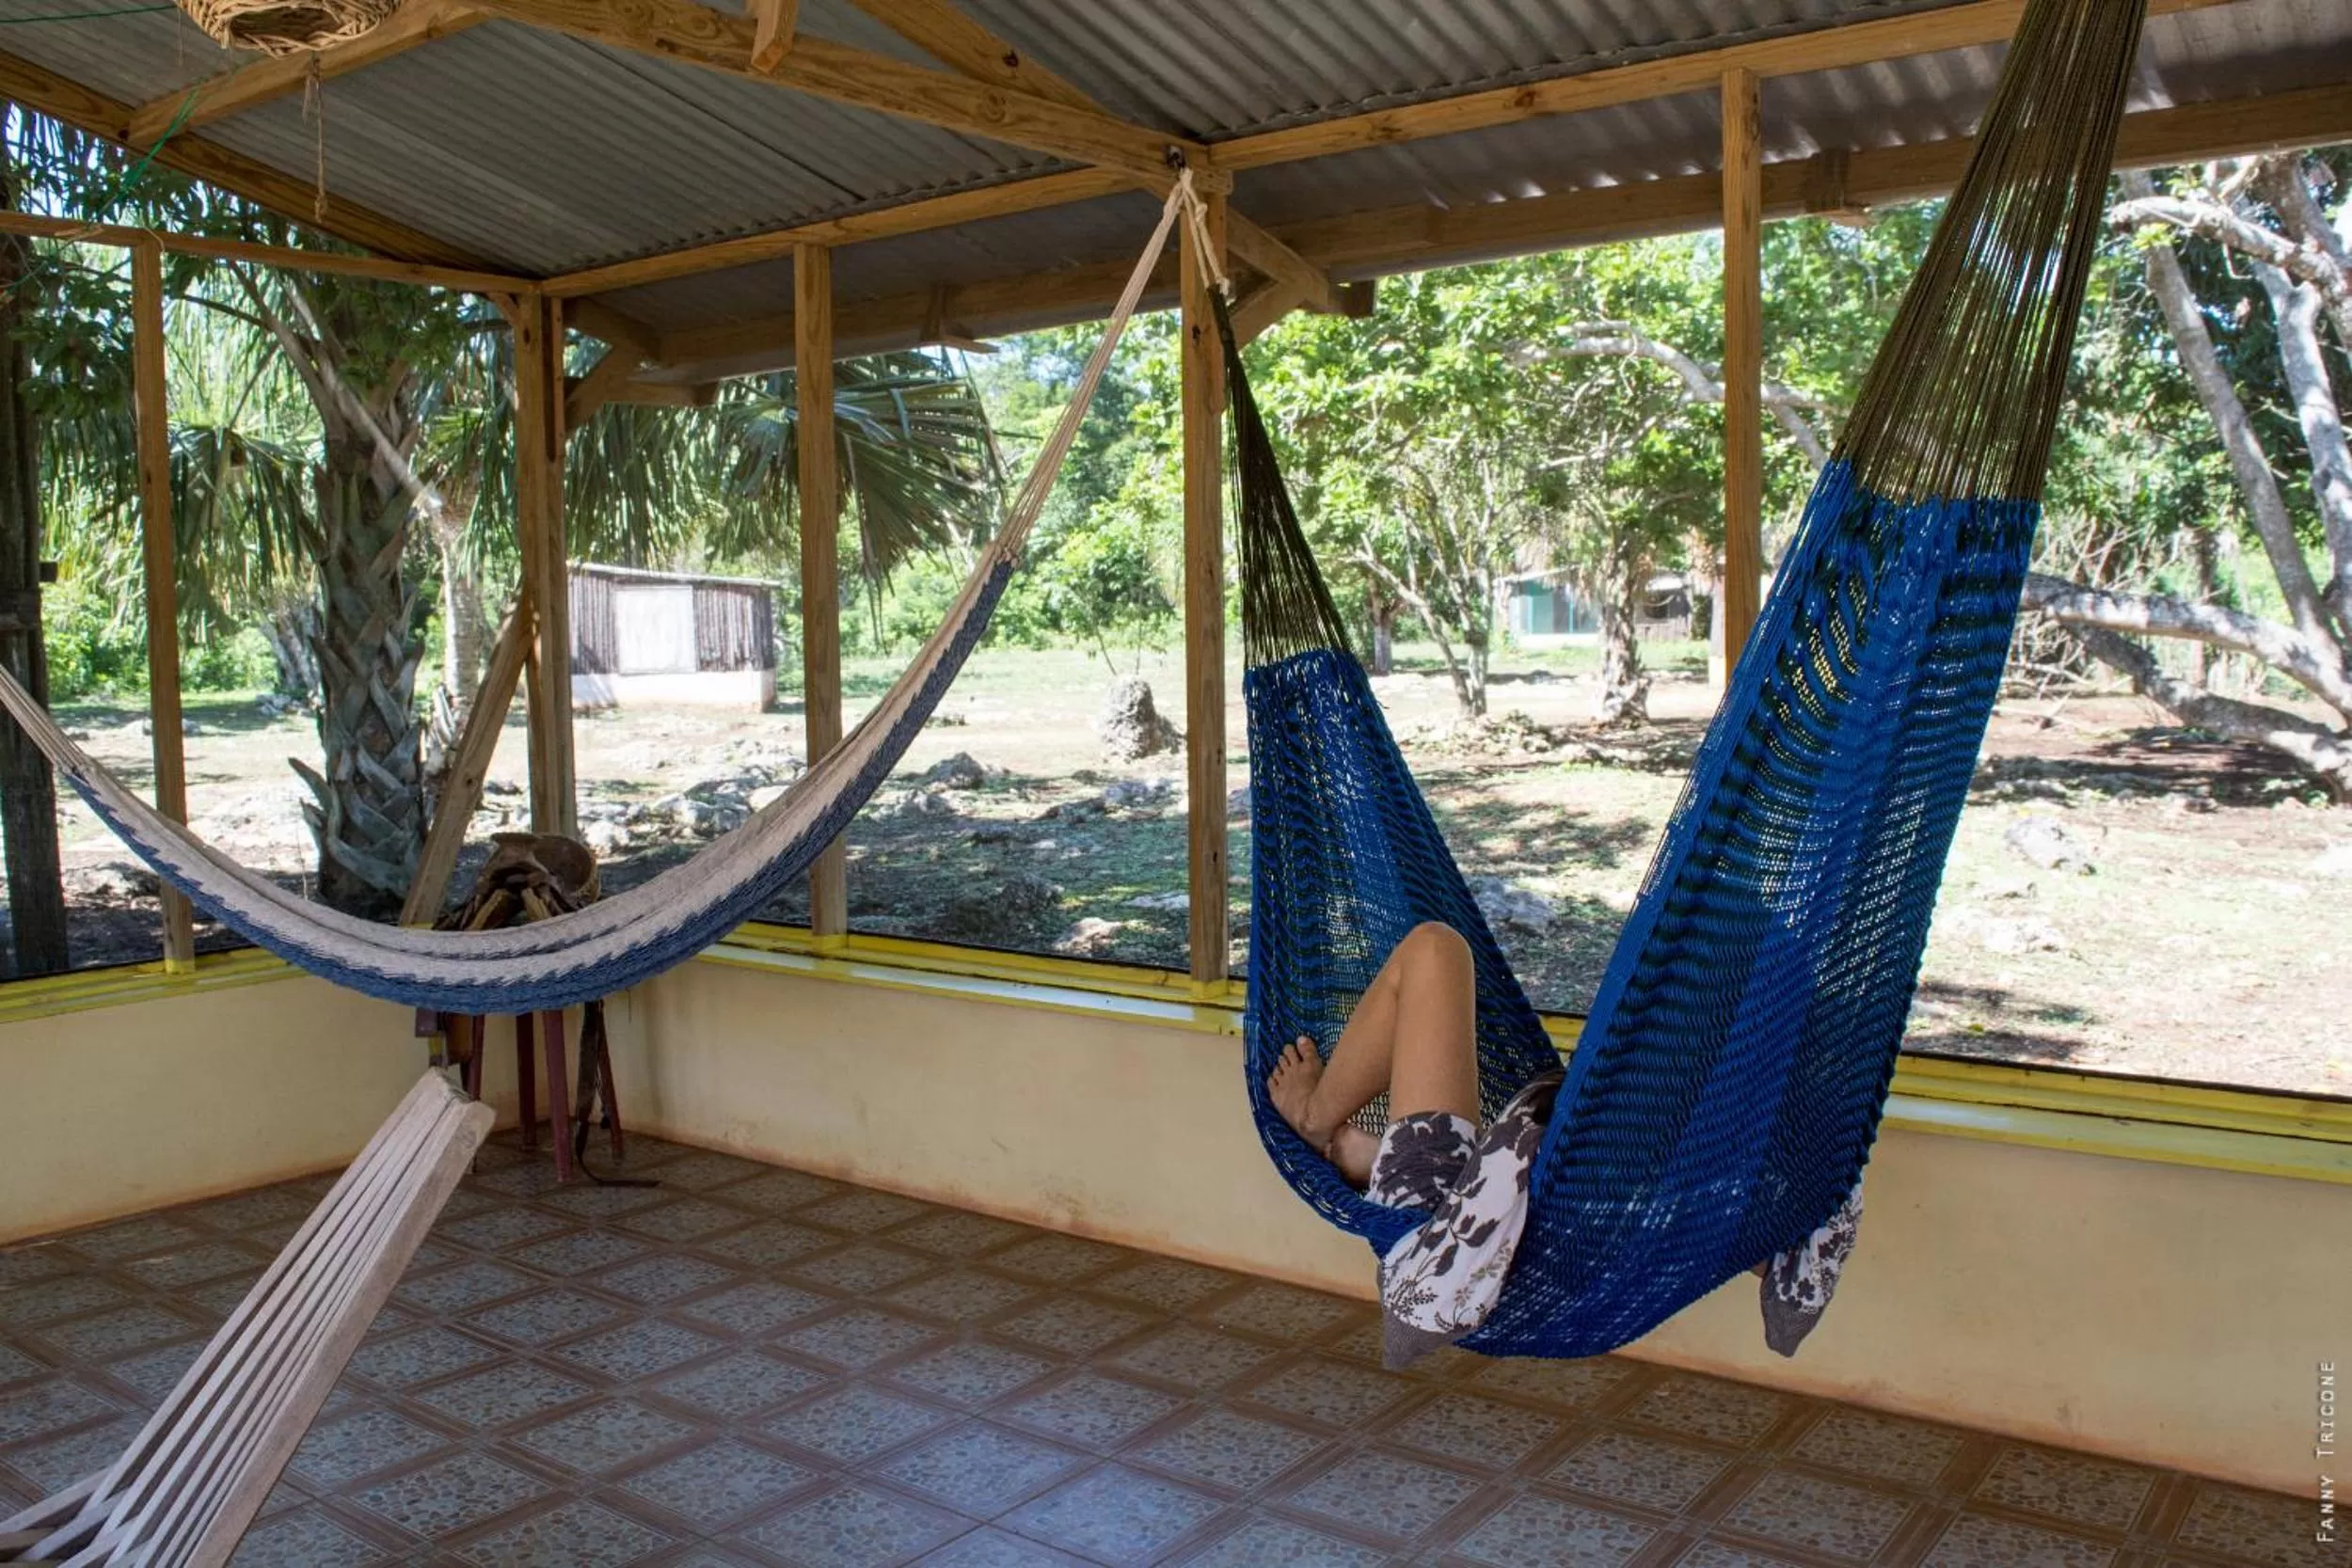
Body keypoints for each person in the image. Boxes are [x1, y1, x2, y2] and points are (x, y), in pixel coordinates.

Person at [1266, 921, 1862, 1368]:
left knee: (1431, 949)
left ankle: (1320, 1122)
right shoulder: (1730, 1150)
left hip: (1449, 1231)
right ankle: (1361, 1154)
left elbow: (1421, 1300)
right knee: (1436, 949)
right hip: (1501, 1188)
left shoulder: (1594, 1135)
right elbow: (1786, 1273)